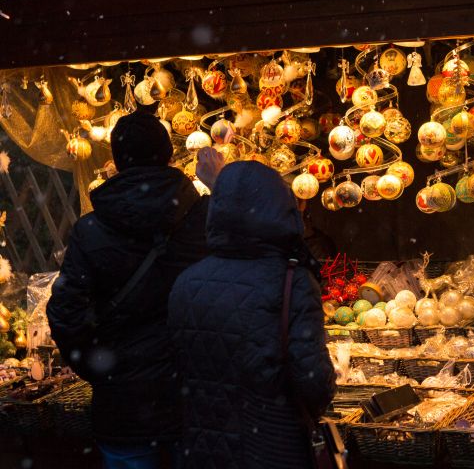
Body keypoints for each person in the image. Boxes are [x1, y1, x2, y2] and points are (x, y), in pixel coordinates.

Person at [47, 110, 216, 468]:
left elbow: (65, 315)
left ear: (117, 161)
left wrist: (104, 370)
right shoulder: (205, 219)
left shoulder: (90, 230)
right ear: (169, 155)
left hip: (124, 405)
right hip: (197, 396)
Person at [168, 160, 336, 469]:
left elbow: (176, 368)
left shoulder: (186, 282)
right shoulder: (292, 281)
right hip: (273, 446)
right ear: (279, 208)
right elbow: (313, 382)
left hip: (202, 449)